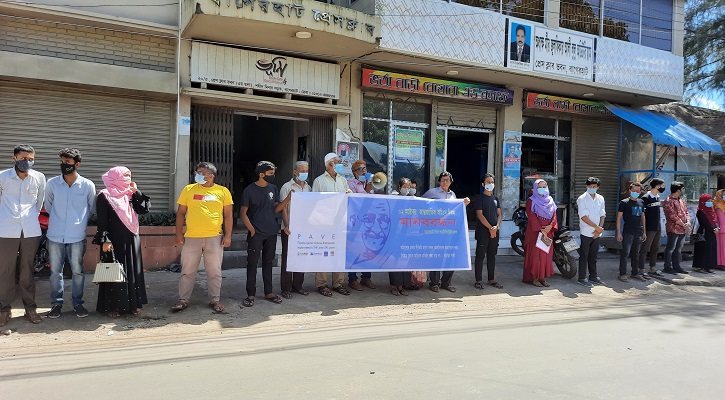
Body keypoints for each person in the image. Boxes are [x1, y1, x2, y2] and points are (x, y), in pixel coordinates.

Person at [171, 162, 233, 314]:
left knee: (214, 271)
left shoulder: (223, 191)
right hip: (192, 237)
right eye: (197, 172)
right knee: (188, 270)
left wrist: (228, 236)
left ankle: (215, 300)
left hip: (214, 237)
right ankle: (183, 300)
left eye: (201, 173)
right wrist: (178, 234)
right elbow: (180, 213)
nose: (197, 175)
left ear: (211, 175)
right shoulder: (188, 189)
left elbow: (228, 215)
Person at [45, 148, 96, 319]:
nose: (63, 164)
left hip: (77, 236)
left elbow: (91, 209)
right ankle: (56, 304)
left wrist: (77, 223)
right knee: (55, 272)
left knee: (77, 272)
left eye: (67, 162)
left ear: (77, 164)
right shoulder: (52, 184)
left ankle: (78, 304)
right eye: (62, 161)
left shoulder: (87, 185)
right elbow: (48, 207)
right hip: (55, 235)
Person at [93, 166, 150, 318]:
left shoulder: (130, 194)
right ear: (115, 177)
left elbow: (143, 210)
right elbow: (102, 221)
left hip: (132, 239)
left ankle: (133, 305)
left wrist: (136, 191)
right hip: (114, 240)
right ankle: (113, 307)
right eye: (125, 176)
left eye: (129, 176)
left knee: (132, 271)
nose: (128, 179)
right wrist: (105, 240)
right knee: (114, 273)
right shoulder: (104, 195)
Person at [0, 144, 46, 326]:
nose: (27, 161)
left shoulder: (39, 178)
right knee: (6, 270)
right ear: (14, 158)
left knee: (27, 269)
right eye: (23, 158)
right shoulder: (3, 177)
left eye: (30, 159)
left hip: (30, 229)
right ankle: (4, 309)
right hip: (6, 230)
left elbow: (39, 203)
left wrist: (30, 217)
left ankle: (30, 308)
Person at [240, 161, 291, 307]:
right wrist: (252, 230)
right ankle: (250, 294)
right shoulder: (249, 190)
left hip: (271, 232)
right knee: (252, 263)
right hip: (256, 234)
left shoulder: (273, 188)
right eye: (270, 173)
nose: (273, 175)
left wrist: (288, 199)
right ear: (261, 174)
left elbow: (276, 209)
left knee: (268, 262)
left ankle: (269, 292)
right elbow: (243, 213)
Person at [422, 171, 470, 292]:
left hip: (450, 231)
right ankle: (434, 283)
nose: (444, 182)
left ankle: (446, 282)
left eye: (447, 180)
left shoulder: (453, 195)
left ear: (451, 182)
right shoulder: (432, 192)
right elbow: (420, 203)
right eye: (442, 180)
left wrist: (463, 204)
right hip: (436, 231)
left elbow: (456, 210)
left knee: (450, 256)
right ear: (439, 181)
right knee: (436, 256)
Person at [312, 152, 352, 297]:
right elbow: (313, 202)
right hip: (324, 223)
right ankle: (322, 284)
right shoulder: (319, 181)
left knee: (340, 254)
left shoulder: (343, 180)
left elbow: (348, 199)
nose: (340, 163)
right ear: (329, 164)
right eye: (337, 161)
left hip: (340, 223)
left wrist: (349, 193)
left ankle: (338, 283)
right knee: (324, 253)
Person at [279, 161, 311, 298]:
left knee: (301, 257)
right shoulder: (287, 187)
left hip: (303, 229)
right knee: (287, 258)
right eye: (302, 171)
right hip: (289, 229)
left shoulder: (308, 188)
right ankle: (286, 288)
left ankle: (298, 286)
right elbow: (283, 208)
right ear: (294, 172)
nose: (304, 173)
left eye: (306, 171)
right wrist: (287, 225)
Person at [346, 159, 375, 291]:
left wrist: (369, 189)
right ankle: (352, 279)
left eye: (365, 168)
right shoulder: (350, 183)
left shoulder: (369, 184)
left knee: (367, 249)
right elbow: (355, 201)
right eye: (361, 169)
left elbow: (371, 202)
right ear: (354, 172)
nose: (364, 171)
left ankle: (366, 277)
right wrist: (366, 191)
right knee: (353, 250)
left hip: (368, 223)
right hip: (354, 223)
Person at [523, 179, 557, 287]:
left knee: (545, 255)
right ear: (535, 188)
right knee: (535, 255)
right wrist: (541, 230)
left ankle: (542, 277)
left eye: (544, 186)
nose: (542, 189)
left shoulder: (550, 200)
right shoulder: (531, 201)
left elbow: (554, 215)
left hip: (548, 231)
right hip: (535, 232)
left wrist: (550, 226)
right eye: (540, 187)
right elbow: (531, 216)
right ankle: (534, 278)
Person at [473, 173, 503, 290]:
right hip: (483, 232)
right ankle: (478, 280)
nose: (490, 184)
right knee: (480, 256)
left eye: (492, 182)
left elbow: (499, 214)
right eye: (488, 182)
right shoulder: (479, 198)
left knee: (492, 255)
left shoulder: (495, 199)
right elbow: (480, 215)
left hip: (494, 232)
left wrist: (496, 227)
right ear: (483, 184)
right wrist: (490, 228)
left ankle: (491, 279)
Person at [576, 177, 606, 287]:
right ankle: (582, 278)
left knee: (593, 255)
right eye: (590, 186)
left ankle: (593, 276)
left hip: (597, 232)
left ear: (598, 187)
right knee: (584, 255)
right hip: (586, 232)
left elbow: (602, 214)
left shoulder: (600, 198)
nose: (592, 188)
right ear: (586, 186)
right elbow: (583, 217)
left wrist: (599, 228)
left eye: (594, 186)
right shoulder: (582, 199)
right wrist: (596, 227)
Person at [616, 182, 647, 282]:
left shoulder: (641, 202)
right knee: (625, 253)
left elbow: (643, 217)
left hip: (638, 231)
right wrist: (619, 232)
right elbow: (619, 218)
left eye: (638, 191)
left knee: (636, 253)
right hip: (628, 231)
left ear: (640, 192)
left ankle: (635, 273)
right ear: (630, 190)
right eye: (633, 191)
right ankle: (622, 274)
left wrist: (644, 231)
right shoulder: (624, 202)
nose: (636, 192)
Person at [389, 177, 413, 296]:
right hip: (395, 234)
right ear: (399, 187)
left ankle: (402, 285)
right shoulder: (394, 198)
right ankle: (394, 286)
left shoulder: (412, 200)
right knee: (394, 260)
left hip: (407, 235)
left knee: (404, 260)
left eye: (409, 187)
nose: (407, 189)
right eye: (405, 187)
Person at [661, 181, 690, 274]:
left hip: (682, 229)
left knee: (678, 249)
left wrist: (688, 222)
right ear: (678, 190)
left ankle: (677, 266)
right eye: (682, 189)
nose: (683, 190)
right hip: (673, 228)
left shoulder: (681, 200)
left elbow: (686, 212)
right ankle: (667, 267)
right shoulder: (668, 200)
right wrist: (683, 224)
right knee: (670, 248)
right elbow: (672, 216)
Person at [638, 178, 665, 279]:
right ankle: (641, 269)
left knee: (656, 247)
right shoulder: (646, 197)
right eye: (662, 185)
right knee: (645, 248)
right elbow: (642, 214)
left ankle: (652, 268)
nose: (663, 187)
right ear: (657, 186)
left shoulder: (657, 197)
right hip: (649, 227)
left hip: (657, 226)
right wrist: (643, 228)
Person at [693, 194, 719, 274]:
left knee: (710, 250)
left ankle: (709, 266)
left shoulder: (711, 210)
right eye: (708, 201)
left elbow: (714, 220)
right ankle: (701, 267)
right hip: (703, 233)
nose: (710, 202)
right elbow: (704, 222)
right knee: (703, 250)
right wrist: (713, 229)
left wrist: (716, 227)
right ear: (703, 202)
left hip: (710, 233)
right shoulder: (701, 211)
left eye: (711, 200)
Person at [713, 189, 725, 269]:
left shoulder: (723, 204)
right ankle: (721, 264)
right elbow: (720, 219)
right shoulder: (717, 205)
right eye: (723, 194)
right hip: (721, 229)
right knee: (721, 247)